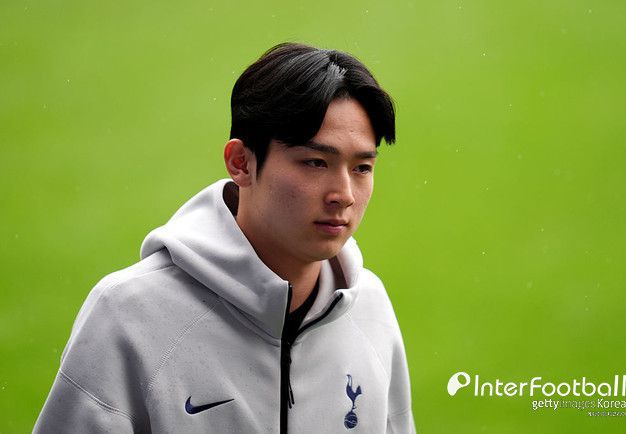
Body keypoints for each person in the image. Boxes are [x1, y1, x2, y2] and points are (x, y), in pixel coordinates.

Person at [35, 42, 415, 433]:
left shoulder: (370, 307)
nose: (344, 195)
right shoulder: (127, 315)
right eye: (316, 162)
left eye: (362, 168)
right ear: (241, 162)